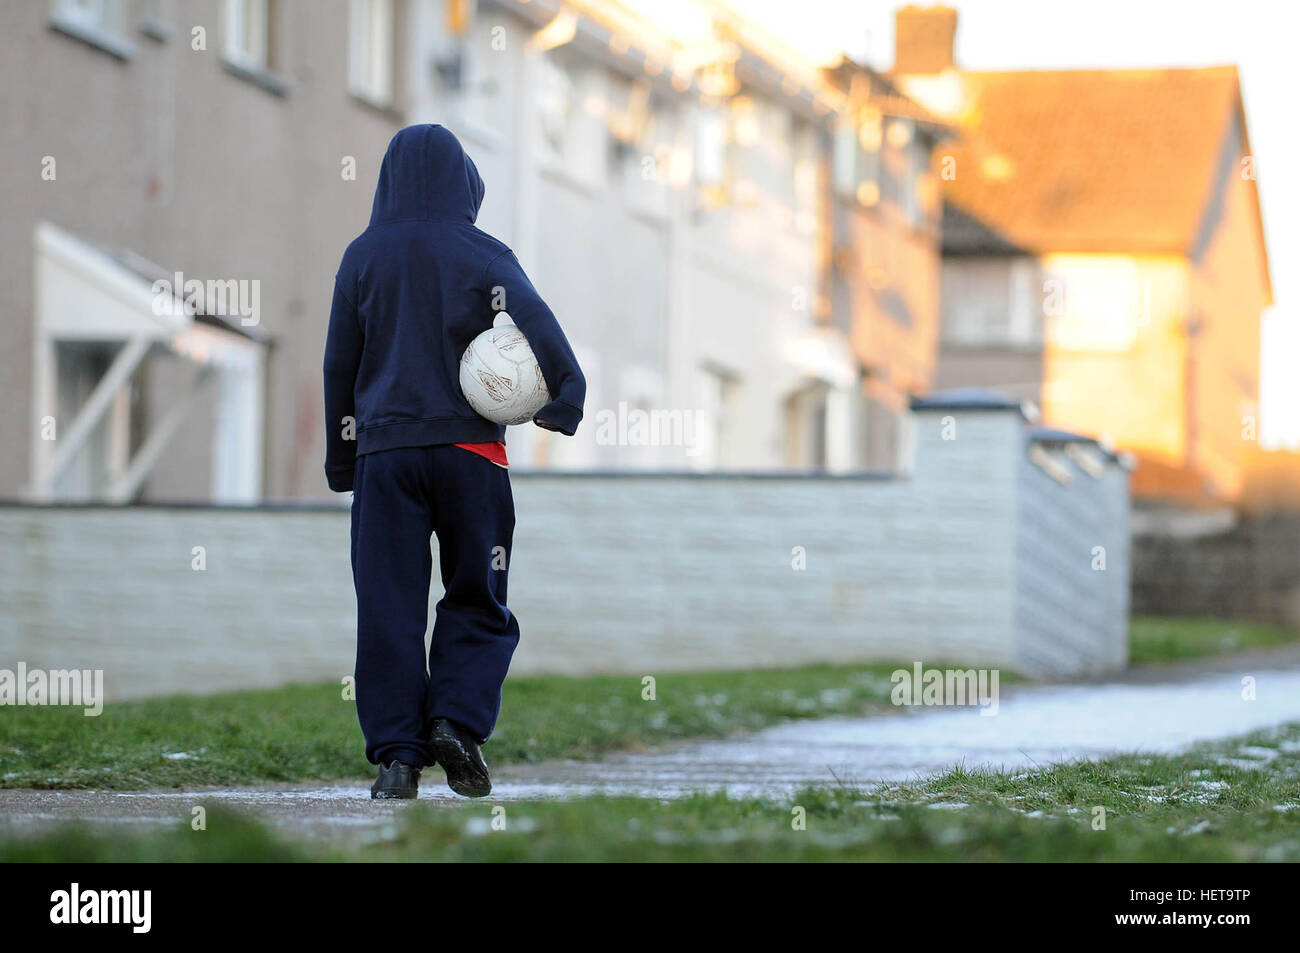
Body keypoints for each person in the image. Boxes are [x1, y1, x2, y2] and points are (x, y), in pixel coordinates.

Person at [322, 124, 585, 798]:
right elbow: (538, 319)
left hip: (386, 455)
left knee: (389, 605)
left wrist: (342, 456)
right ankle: (457, 722)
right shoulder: (483, 251)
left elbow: (338, 364)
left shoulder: (361, 257)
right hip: (472, 453)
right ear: (463, 185)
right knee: (477, 593)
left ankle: (397, 761)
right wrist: (565, 397)